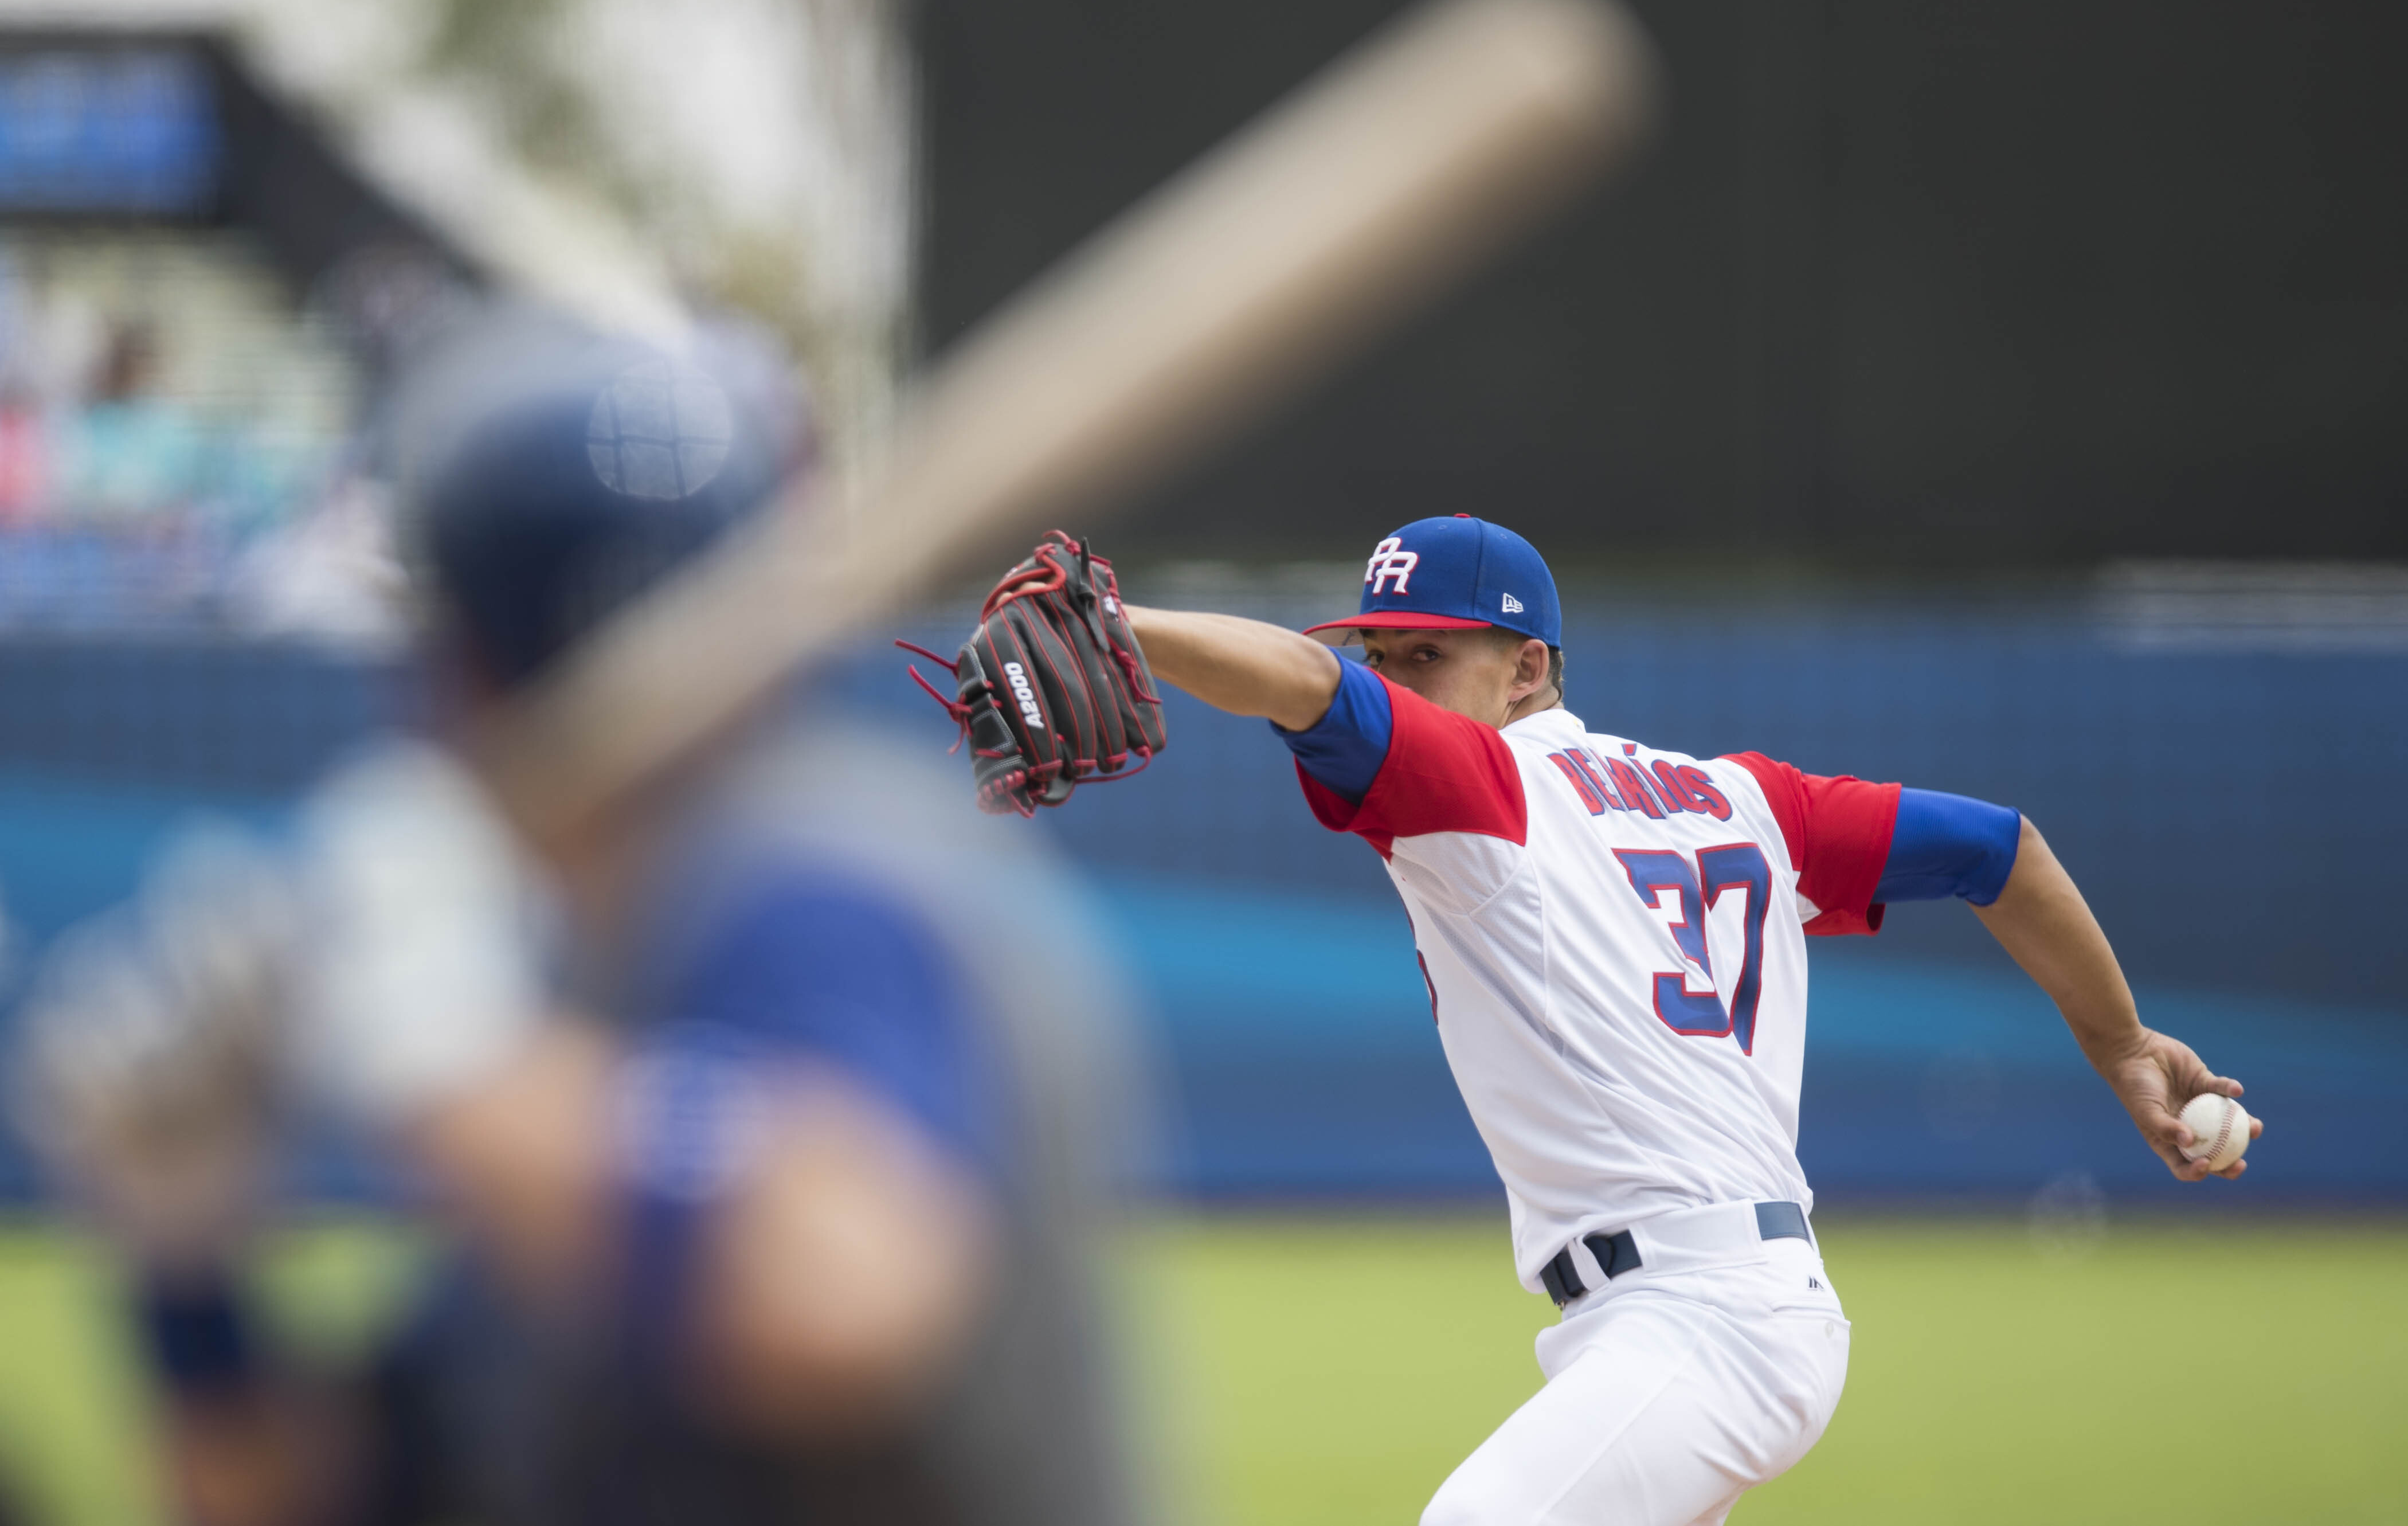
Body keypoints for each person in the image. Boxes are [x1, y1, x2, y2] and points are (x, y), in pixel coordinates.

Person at [21, 312, 1141, 1526]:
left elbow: (837, 1298)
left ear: (457, 672)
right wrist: (188, 1272)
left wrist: (441, 1051)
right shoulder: (570, 1008)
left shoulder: (818, 868)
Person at [1105, 512, 2261, 1526]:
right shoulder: (1744, 798)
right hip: (1678, 1320)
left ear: (1526, 671)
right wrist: (2115, 1039)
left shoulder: (1478, 788)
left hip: (1707, 1319)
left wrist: (1117, 621)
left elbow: (1296, 684)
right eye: (1381, 653)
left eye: (1428, 655)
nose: (1395, 680)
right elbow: (1995, 850)